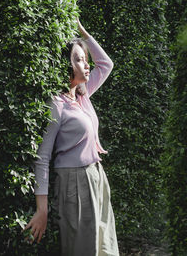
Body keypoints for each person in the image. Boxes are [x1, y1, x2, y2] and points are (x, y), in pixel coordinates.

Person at [24, 18, 119, 256]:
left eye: (86, 60)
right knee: (83, 248)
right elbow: (42, 157)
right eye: (78, 60)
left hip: (97, 175)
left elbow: (106, 64)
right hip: (74, 182)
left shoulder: (82, 95)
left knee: (105, 244)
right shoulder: (57, 104)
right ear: (65, 66)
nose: (86, 65)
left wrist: (83, 34)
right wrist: (41, 210)